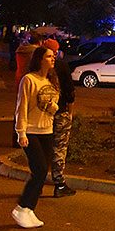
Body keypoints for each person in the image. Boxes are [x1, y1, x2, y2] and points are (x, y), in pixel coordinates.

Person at [13, 45, 59, 229]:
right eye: (49, 56)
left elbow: (53, 107)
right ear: (40, 59)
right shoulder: (29, 80)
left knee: (42, 172)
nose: (52, 59)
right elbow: (22, 106)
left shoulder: (51, 81)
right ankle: (22, 207)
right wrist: (21, 132)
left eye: (53, 56)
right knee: (39, 170)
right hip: (31, 131)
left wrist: (53, 106)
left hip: (47, 130)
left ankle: (29, 209)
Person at [43, 39, 77, 197]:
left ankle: (38, 182)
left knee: (44, 149)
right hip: (60, 112)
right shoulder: (61, 66)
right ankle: (59, 184)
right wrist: (70, 111)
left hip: (42, 114)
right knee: (59, 148)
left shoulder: (36, 68)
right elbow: (70, 91)